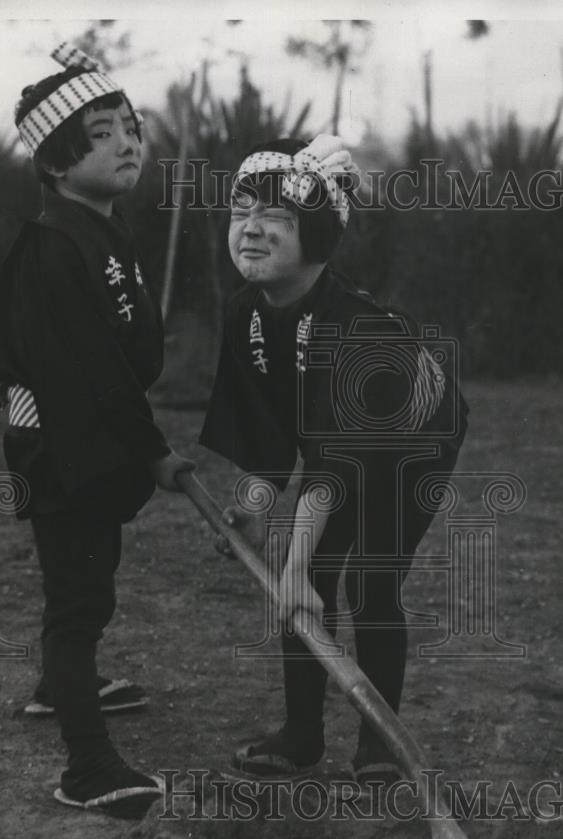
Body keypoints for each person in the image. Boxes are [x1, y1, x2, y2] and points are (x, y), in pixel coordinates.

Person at [200, 135, 468, 783]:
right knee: (311, 577)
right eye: (242, 214)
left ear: (317, 234)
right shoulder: (245, 312)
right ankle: (301, 736)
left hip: (414, 442)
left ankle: (380, 743)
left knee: (370, 581)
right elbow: (268, 431)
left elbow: (336, 464)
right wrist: (256, 507)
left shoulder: (358, 327)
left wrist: (291, 566)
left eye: (279, 219)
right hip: (336, 447)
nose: (253, 231)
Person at [0, 43, 194, 817]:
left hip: (85, 438)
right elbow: (86, 373)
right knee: (77, 604)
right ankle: (88, 767)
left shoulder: (101, 228)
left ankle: (56, 685)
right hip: (60, 443)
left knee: (84, 589)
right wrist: (155, 451)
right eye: (104, 132)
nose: (129, 142)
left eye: (132, 127)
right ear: (56, 161)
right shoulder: (53, 245)